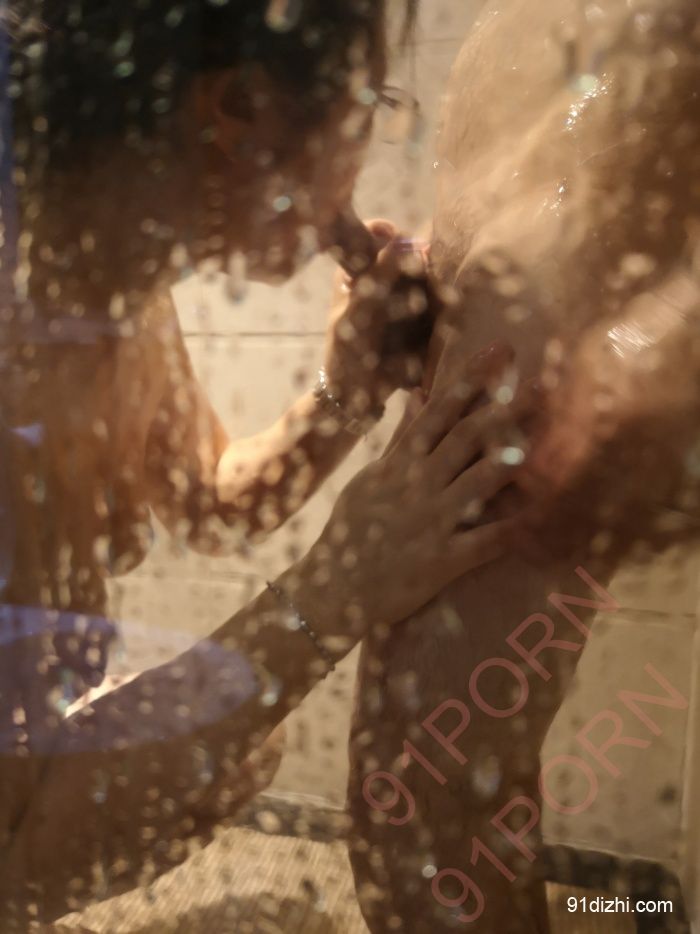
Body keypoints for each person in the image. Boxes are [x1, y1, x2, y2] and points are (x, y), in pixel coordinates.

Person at [0, 0, 537, 927]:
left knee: (241, 741)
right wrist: (341, 587)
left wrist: (346, 390)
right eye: (371, 104)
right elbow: (11, 854)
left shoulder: (107, 276)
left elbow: (210, 500)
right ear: (243, 103)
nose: (369, 149)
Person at [348, 0, 700, 931]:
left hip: (546, 341)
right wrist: (426, 288)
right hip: (513, 339)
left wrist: (648, 341)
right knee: (455, 790)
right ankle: (589, 908)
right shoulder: (522, 40)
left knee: (420, 808)